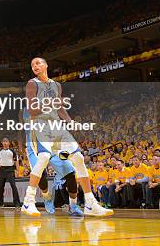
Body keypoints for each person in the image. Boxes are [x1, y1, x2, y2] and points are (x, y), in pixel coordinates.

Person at [20, 57, 112, 217]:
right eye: (32, 64)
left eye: (38, 63)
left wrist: (70, 121)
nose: (35, 65)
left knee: (78, 158)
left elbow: (60, 108)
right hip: (41, 127)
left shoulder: (57, 86)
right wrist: (49, 103)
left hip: (57, 128)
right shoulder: (32, 84)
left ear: (46, 65)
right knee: (42, 158)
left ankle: (90, 203)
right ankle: (28, 201)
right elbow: (33, 110)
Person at [19, 94, 84, 217]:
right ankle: (47, 197)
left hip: (54, 147)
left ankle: (73, 205)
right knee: (40, 174)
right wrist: (20, 144)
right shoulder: (24, 111)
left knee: (70, 172)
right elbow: (21, 129)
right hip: (34, 147)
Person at [0, 138, 21, 208]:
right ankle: (0, 203)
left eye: (6, 141)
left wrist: (17, 171)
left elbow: (16, 162)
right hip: (2, 170)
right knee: (0, 187)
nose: (5, 143)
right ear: (2, 143)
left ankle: (17, 204)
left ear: (9, 143)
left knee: (13, 186)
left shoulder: (12, 151)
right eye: (3, 142)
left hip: (10, 169)